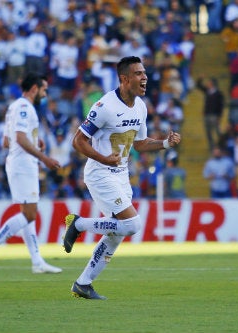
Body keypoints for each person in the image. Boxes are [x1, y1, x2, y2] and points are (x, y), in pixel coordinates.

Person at [62, 56, 181, 300]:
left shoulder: (140, 107)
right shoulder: (104, 106)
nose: (144, 77)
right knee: (133, 225)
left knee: (117, 234)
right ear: (124, 79)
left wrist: (166, 144)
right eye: (138, 73)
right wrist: (104, 159)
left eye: (144, 72)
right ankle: (78, 224)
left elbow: (140, 143)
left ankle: (83, 284)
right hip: (100, 173)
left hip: (121, 175)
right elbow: (78, 141)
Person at [0, 72, 63, 274]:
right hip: (24, 165)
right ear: (34, 88)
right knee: (30, 214)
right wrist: (45, 158)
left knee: (28, 214)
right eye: (44, 89)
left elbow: (6, 141)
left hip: (18, 163)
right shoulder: (25, 107)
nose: (45, 93)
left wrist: (35, 140)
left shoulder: (14, 107)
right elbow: (21, 139)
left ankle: (37, 262)